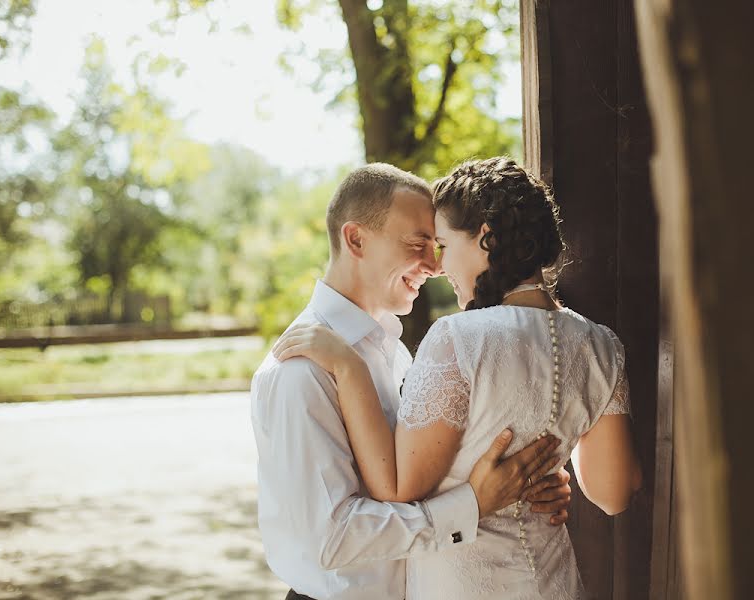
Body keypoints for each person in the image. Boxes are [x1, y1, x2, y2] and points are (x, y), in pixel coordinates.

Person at [273, 157, 643, 599]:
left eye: (445, 245)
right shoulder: (601, 345)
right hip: (554, 582)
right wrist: (551, 471)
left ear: (486, 238)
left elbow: (397, 488)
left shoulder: (458, 337)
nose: (438, 266)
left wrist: (348, 368)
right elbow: (613, 494)